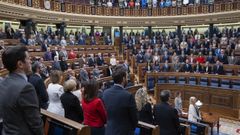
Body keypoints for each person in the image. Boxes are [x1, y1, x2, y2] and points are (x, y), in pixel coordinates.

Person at [0, 46, 44, 135]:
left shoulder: (3, 83)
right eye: (28, 59)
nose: (30, 61)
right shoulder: (26, 88)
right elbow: (35, 124)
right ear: (20, 64)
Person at [103, 65, 138, 135]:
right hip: (124, 132)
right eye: (126, 77)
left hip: (109, 131)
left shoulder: (105, 93)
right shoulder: (128, 96)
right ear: (123, 79)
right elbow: (135, 119)